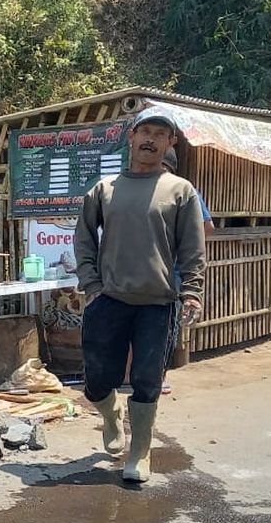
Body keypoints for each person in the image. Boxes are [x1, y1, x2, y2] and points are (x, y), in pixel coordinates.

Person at [74, 107, 205, 483]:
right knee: (98, 379)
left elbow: (192, 249)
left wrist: (192, 292)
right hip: (109, 300)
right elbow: (83, 239)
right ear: (130, 138)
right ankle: (111, 415)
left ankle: (140, 454)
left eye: (159, 134)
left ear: (170, 142)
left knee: (148, 380)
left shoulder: (180, 191)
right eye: (143, 131)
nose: (150, 139)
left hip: (158, 303)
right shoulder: (104, 190)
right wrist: (92, 286)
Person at [160, 146, 214, 394]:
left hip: (171, 275)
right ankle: (134, 376)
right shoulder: (133, 187)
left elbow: (206, 226)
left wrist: (181, 238)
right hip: (137, 273)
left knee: (164, 328)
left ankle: (158, 377)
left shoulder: (184, 191)